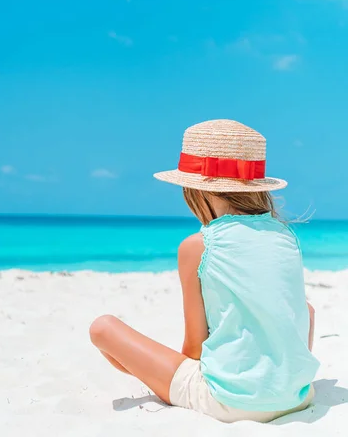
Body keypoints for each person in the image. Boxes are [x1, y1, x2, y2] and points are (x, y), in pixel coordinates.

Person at [89, 119, 320, 422]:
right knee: (305, 308)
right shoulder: (285, 236)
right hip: (298, 395)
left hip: (233, 403)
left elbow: (195, 349)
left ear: (194, 190)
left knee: (102, 328)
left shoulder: (198, 246)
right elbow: (306, 314)